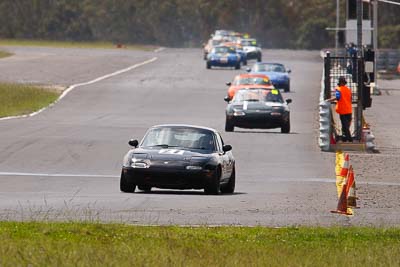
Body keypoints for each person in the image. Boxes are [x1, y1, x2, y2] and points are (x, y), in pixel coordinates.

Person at [327, 76, 353, 142]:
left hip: (342, 111)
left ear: (340, 83)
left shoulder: (338, 89)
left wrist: (329, 100)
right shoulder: (348, 90)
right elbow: (350, 99)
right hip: (349, 110)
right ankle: (344, 139)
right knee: (346, 126)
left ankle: (349, 139)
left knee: (345, 126)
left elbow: (338, 97)